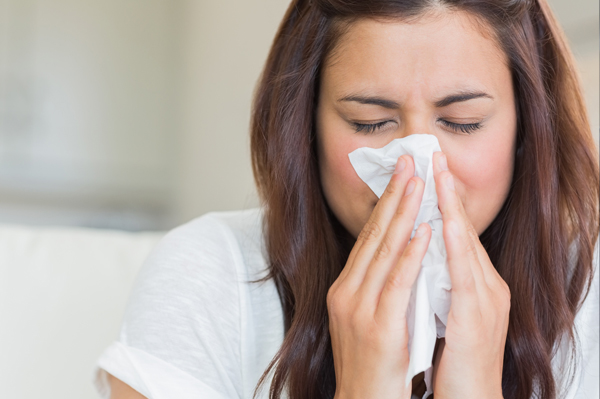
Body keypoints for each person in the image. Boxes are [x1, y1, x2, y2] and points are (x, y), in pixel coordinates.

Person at [93, 0, 600, 398]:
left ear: (527, 130)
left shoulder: (591, 295)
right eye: (370, 123)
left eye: (462, 122)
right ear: (305, 127)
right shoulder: (208, 273)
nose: (416, 170)